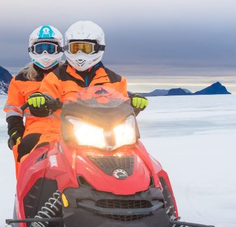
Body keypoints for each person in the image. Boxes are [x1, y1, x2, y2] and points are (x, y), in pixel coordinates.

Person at [27, 20, 148, 148]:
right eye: (75, 49)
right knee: (40, 159)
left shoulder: (116, 80)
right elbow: (46, 95)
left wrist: (133, 104)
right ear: (67, 48)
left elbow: (123, 109)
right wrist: (41, 101)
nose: (80, 54)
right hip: (61, 135)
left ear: (98, 48)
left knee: (140, 157)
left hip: (109, 135)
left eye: (86, 49)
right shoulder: (55, 78)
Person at [4, 25, 65, 170]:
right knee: (23, 151)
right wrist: (15, 131)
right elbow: (13, 109)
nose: (45, 53)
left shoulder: (69, 76)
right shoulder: (21, 79)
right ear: (32, 50)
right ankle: (25, 190)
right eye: (40, 49)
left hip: (67, 127)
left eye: (50, 49)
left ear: (59, 49)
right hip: (35, 129)